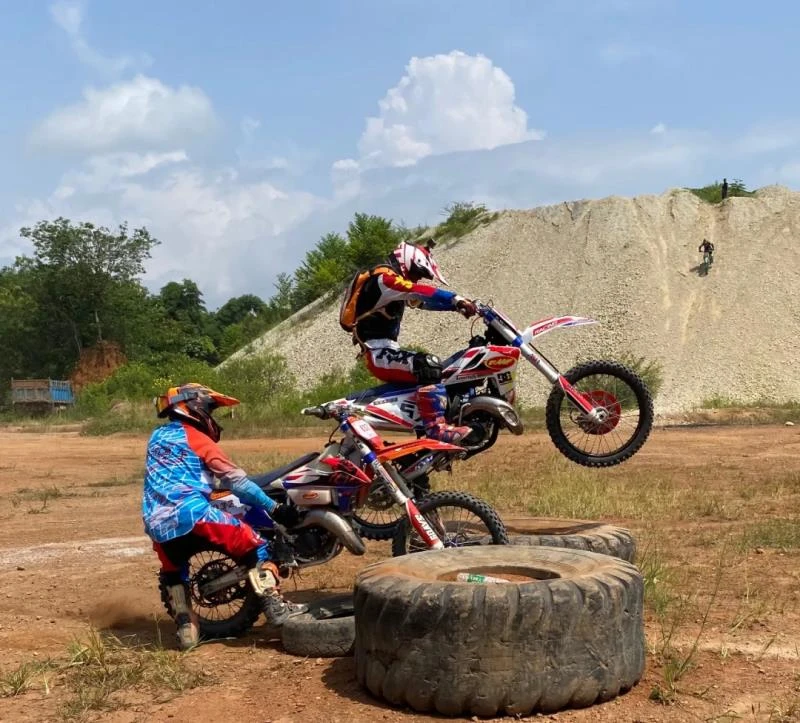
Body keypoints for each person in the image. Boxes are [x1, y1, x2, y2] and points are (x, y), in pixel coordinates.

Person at [143, 383, 307, 650]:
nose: (211, 416)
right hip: (193, 514)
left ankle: (187, 629)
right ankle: (275, 607)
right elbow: (238, 483)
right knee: (260, 547)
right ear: (195, 406)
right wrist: (275, 508)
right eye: (210, 409)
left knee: (174, 572)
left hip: (156, 522)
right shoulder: (197, 438)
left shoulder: (156, 437)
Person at [339, 239, 477, 443]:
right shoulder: (385, 279)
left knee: (444, 370)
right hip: (378, 353)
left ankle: (440, 419)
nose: (417, 278)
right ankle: (436, 429)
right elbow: (417, 291)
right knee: (429, 365)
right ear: (408, 262)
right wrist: (455, 298)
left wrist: (456, 307)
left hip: (387, 351)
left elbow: (421, 301)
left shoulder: (394, 285)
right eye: (417, 273)